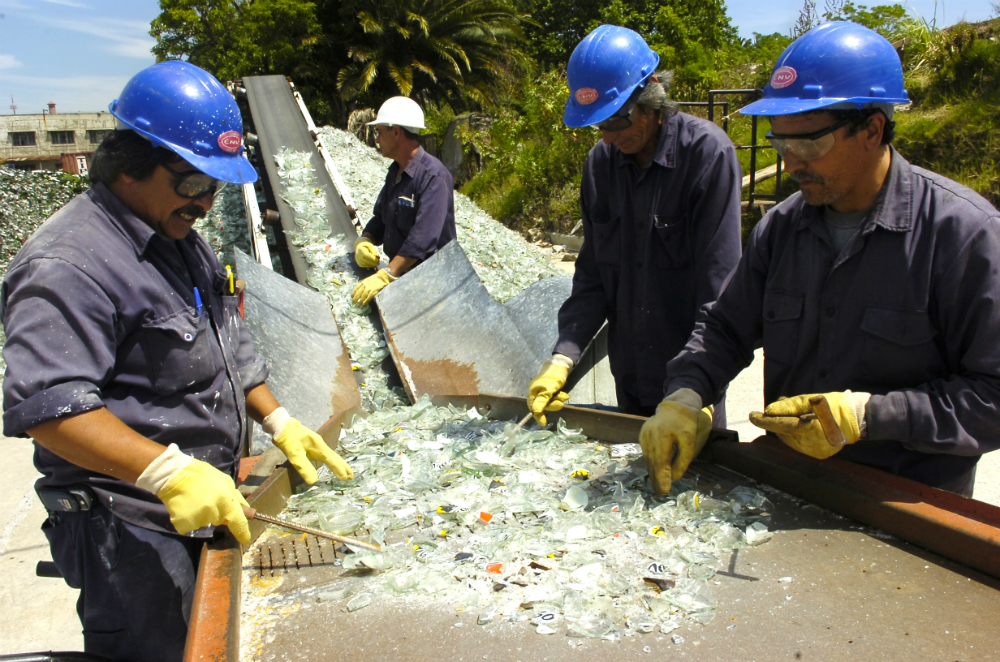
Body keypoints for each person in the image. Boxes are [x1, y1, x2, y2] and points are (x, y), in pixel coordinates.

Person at [1, 61, 353, 662]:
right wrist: (169, 473)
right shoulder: (68, 265)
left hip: (203, 500)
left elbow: (226, 340)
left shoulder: (180, 238)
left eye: (215, 187)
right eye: (193, 183)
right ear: (131, 166)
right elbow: (51, 411)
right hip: (129, 524)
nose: (206, 202)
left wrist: (278, 419)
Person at [644, 21, 1000, 497]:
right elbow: (724, 330)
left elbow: (993, 397)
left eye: (808, 144)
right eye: (780, 144)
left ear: (872, 129)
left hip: (907, 511)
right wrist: (685, 395)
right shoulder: (783, 229)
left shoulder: (964, 235)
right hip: (791, 491)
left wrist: (868, 417)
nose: (790, 164)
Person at [526, 25, 742, 462]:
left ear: (653, 98)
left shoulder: (707, 156)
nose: (608, 136)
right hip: (630, 376)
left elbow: (719, 295)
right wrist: (563, 357)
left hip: (688, 385)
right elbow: (591, 277)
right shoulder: (601, 165)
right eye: (598, 125)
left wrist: (689, 391)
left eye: (617, 121)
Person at [351, 96, 457, 305]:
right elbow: (382, 218)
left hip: (433, 285)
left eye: (380, 132)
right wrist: (365, 240)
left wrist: (387, 274)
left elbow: (423, 239)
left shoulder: (433, 177)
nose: (377, 139)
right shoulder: (395, 172)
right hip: (404, 277)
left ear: (397, 132)